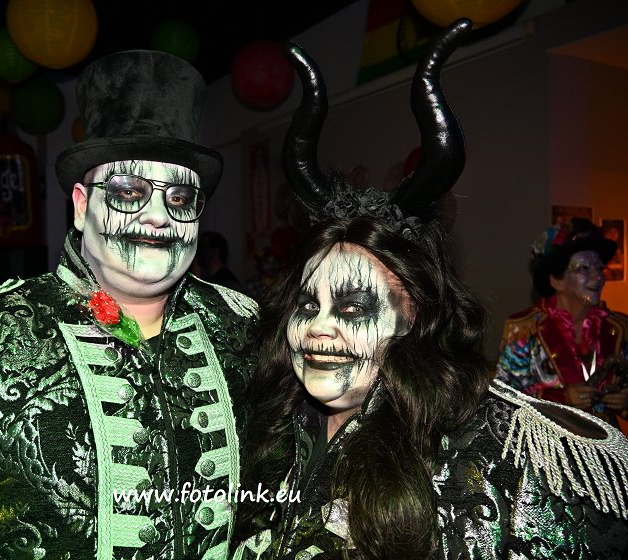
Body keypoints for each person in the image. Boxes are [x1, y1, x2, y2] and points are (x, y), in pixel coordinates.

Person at [233, 20, 628, 560]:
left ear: (413, 314)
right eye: (308, 303)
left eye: (353, 306)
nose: (318, 328)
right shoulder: (272, 420)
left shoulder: (497, 456)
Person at [0, 50, 259, 559]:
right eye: (128, 192)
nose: (158, 217)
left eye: (180, 198)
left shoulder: (244, 331)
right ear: (82, 205)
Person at [496, 218, 628, 428]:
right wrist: (560, 399)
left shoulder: (619, 329)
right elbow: (503, 401)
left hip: (607, 445)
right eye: (584, 268)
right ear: (556, 281)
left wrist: (625, 400)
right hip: (548, 444)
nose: (598, 277)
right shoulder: (525, 330)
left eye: (600, 268)